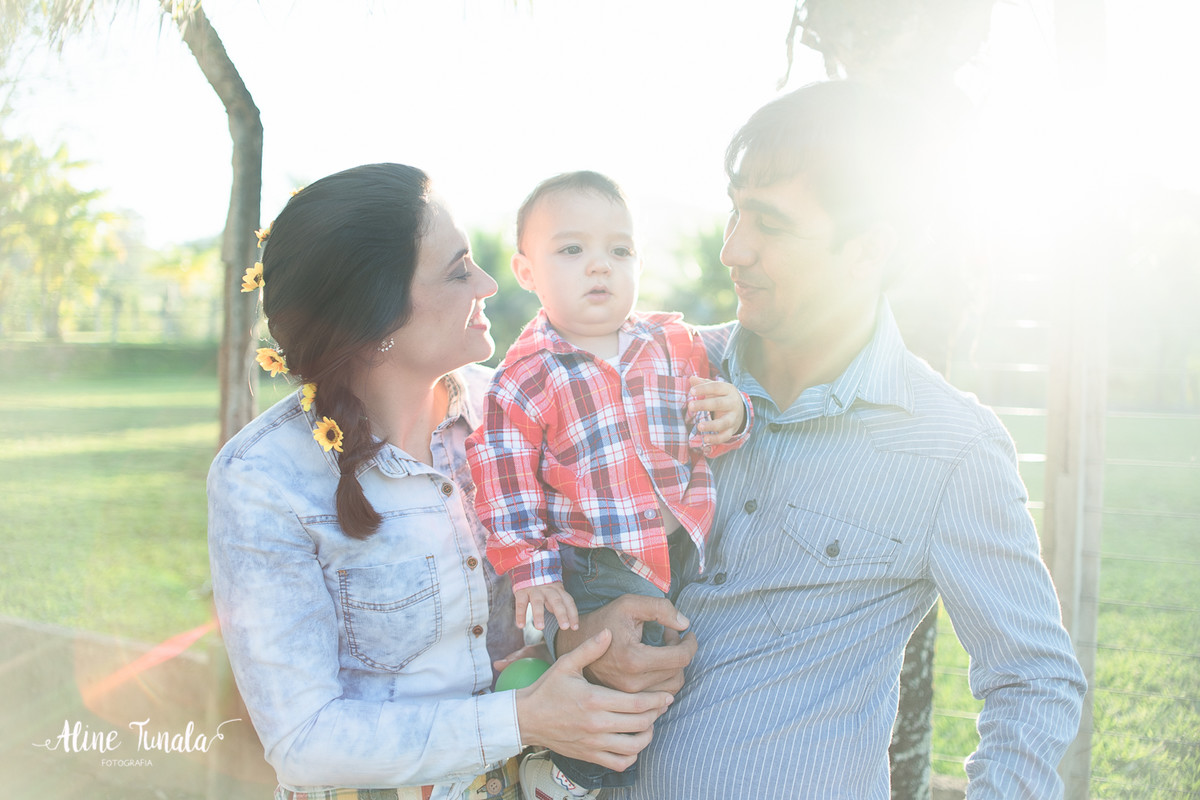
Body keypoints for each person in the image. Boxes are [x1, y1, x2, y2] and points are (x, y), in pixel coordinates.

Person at [551, 81, 1089, 799]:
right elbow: (510, 561)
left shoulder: (951, 449)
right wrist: (577, 631)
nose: (731, 249)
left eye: (769, 224)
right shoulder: (646, 375)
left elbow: (1033, 680)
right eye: (737, 211)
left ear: (867, 250)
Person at [206, 163, 675, 800]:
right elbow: (304, 741)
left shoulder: (518, 410)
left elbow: (563, 576)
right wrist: (522, 719)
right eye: (458, 271)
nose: (487, 281)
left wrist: (589, 632)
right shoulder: (264, 477)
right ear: (375, 324)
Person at [465, 171, 750, 799]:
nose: (600, 266)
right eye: (572, 250)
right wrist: (532, 570)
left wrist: (734, 413)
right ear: (526, 270)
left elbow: (709, 425)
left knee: (681, 662)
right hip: (600, 559)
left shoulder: (672, 345)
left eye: (619, 251)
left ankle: (568, 727)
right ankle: (565, 774)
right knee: (637, 670)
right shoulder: (527, 378)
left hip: (679, 544)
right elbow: (506, 487)